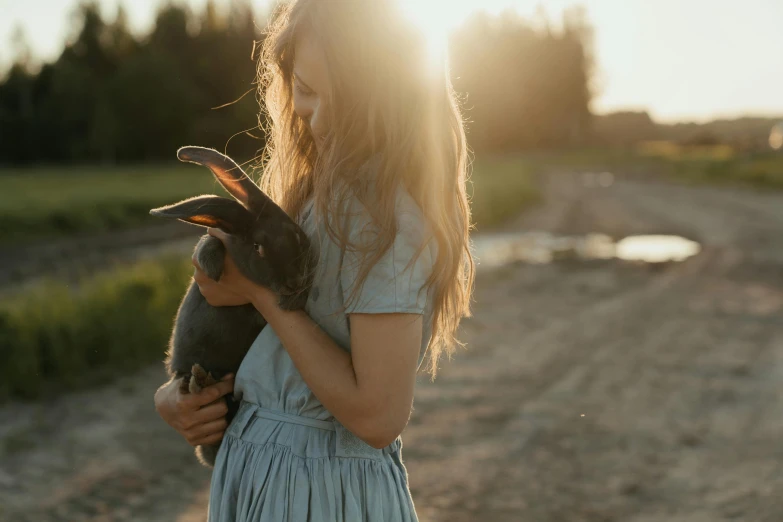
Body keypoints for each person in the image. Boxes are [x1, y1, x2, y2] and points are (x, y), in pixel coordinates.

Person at [154, 0, 474, 520]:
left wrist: (260, 291)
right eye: (305, 90)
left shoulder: (389, 219)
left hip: (321, 493)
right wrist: (176, 399)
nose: (319, 119)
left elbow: (377, 416)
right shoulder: (312, 197)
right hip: (261, 478)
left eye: (342, 101)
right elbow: (265, 357)